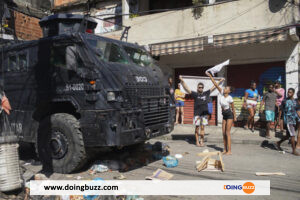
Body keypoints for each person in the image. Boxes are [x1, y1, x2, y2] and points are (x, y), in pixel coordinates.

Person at [179, 75, 224, 147]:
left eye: (202, 87)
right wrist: (182, 80)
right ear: (197, 88)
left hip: (204, 114)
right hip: (197, 114)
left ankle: (202, 141)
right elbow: (186, 88)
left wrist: (220, 81)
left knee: (203, 128)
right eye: (199, 87)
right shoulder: (195, 94)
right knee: (197, 128)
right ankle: (197, 141)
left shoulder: (206, 93)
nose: (201, 88)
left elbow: (214, 86)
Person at [206, 72, 236, 155]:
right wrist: (210, 76)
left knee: (227, 133)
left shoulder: (230, 98)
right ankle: (225, 150)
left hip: (229, 115)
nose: (224, 88)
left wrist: (235, 117)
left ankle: (229, 151)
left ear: (229, 91)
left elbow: (233, 108)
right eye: (225, 88)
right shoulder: (222, 93)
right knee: (223, 133)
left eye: (226, 88)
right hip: (224, 115)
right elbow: (215, 84)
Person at [276, 88, 300, 156]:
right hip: (288, 121)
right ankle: (294, 150)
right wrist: (279, 120)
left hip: (294, 120)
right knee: (292, 135)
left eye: (290, 92)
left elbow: (297, 110)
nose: (288, 94)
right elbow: (280, 110)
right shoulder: (284, 101)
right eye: (288, 92)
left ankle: (278, 143)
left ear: (293, 93)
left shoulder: (295, 101)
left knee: (288, 135)